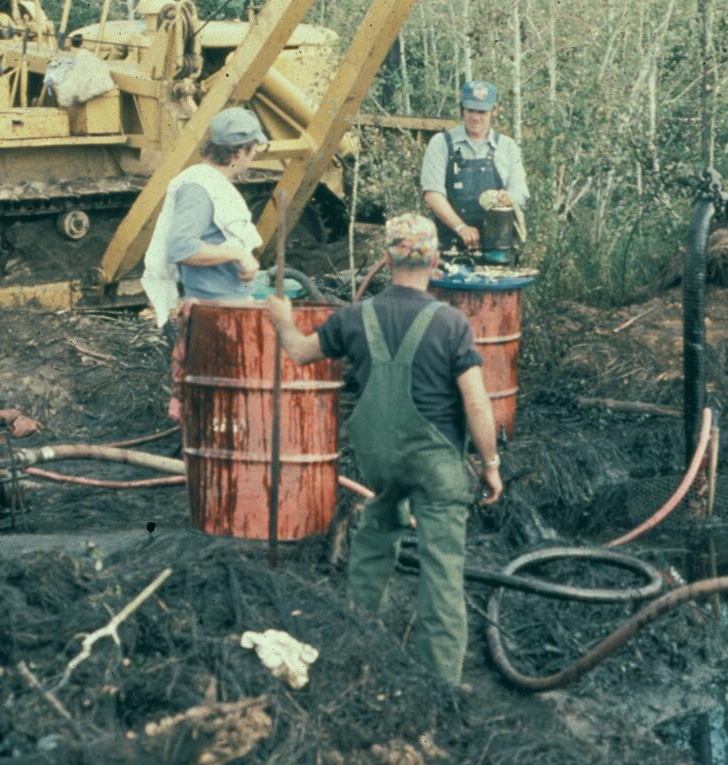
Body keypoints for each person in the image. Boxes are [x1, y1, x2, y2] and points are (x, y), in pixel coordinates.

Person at [266, 213, 504, 686]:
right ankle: (440, 687)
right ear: (435, 261)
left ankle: (358, 654)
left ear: (386, 259)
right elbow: (477, 402)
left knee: (377, 529)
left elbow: (298, 351)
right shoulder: (451, 324)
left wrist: (281, 320)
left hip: (379, 463)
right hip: (434, 468)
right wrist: (491, 464)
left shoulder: (354, 317)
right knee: (441, 571)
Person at [141, 107, 268, 420]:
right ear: (238, 152)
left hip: (228, 308)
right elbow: (182, 248)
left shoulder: (210, 183)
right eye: (252, 150)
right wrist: (237, 253)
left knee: (227, 404)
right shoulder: (198, 188)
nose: (253, 158)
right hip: (216, 315)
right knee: (224, 407)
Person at [420, 80, 529, 253]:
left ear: (494, 110)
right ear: (462, 108)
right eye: (470, 110)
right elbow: (432, 194)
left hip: (498, 246)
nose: (475, 117)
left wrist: (510, 197)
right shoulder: (441, 143)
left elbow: (520, 189)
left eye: (482, 111)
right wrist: (461, 227)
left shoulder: (509, 147)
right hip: (450, 245)